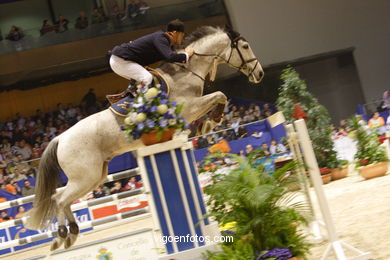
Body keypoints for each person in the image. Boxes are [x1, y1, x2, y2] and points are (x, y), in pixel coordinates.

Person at [107, 19, 194, 103]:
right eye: (182, 35)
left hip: (122, 60)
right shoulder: (161, 38)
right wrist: (186, 55)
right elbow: (170, 57)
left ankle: (131, 98)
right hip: (121, 60)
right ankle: (142, 108)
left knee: (146, 79)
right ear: (175, 33)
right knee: (147, 78)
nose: (183, 38)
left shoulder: (164, 40)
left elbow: (171, 56)